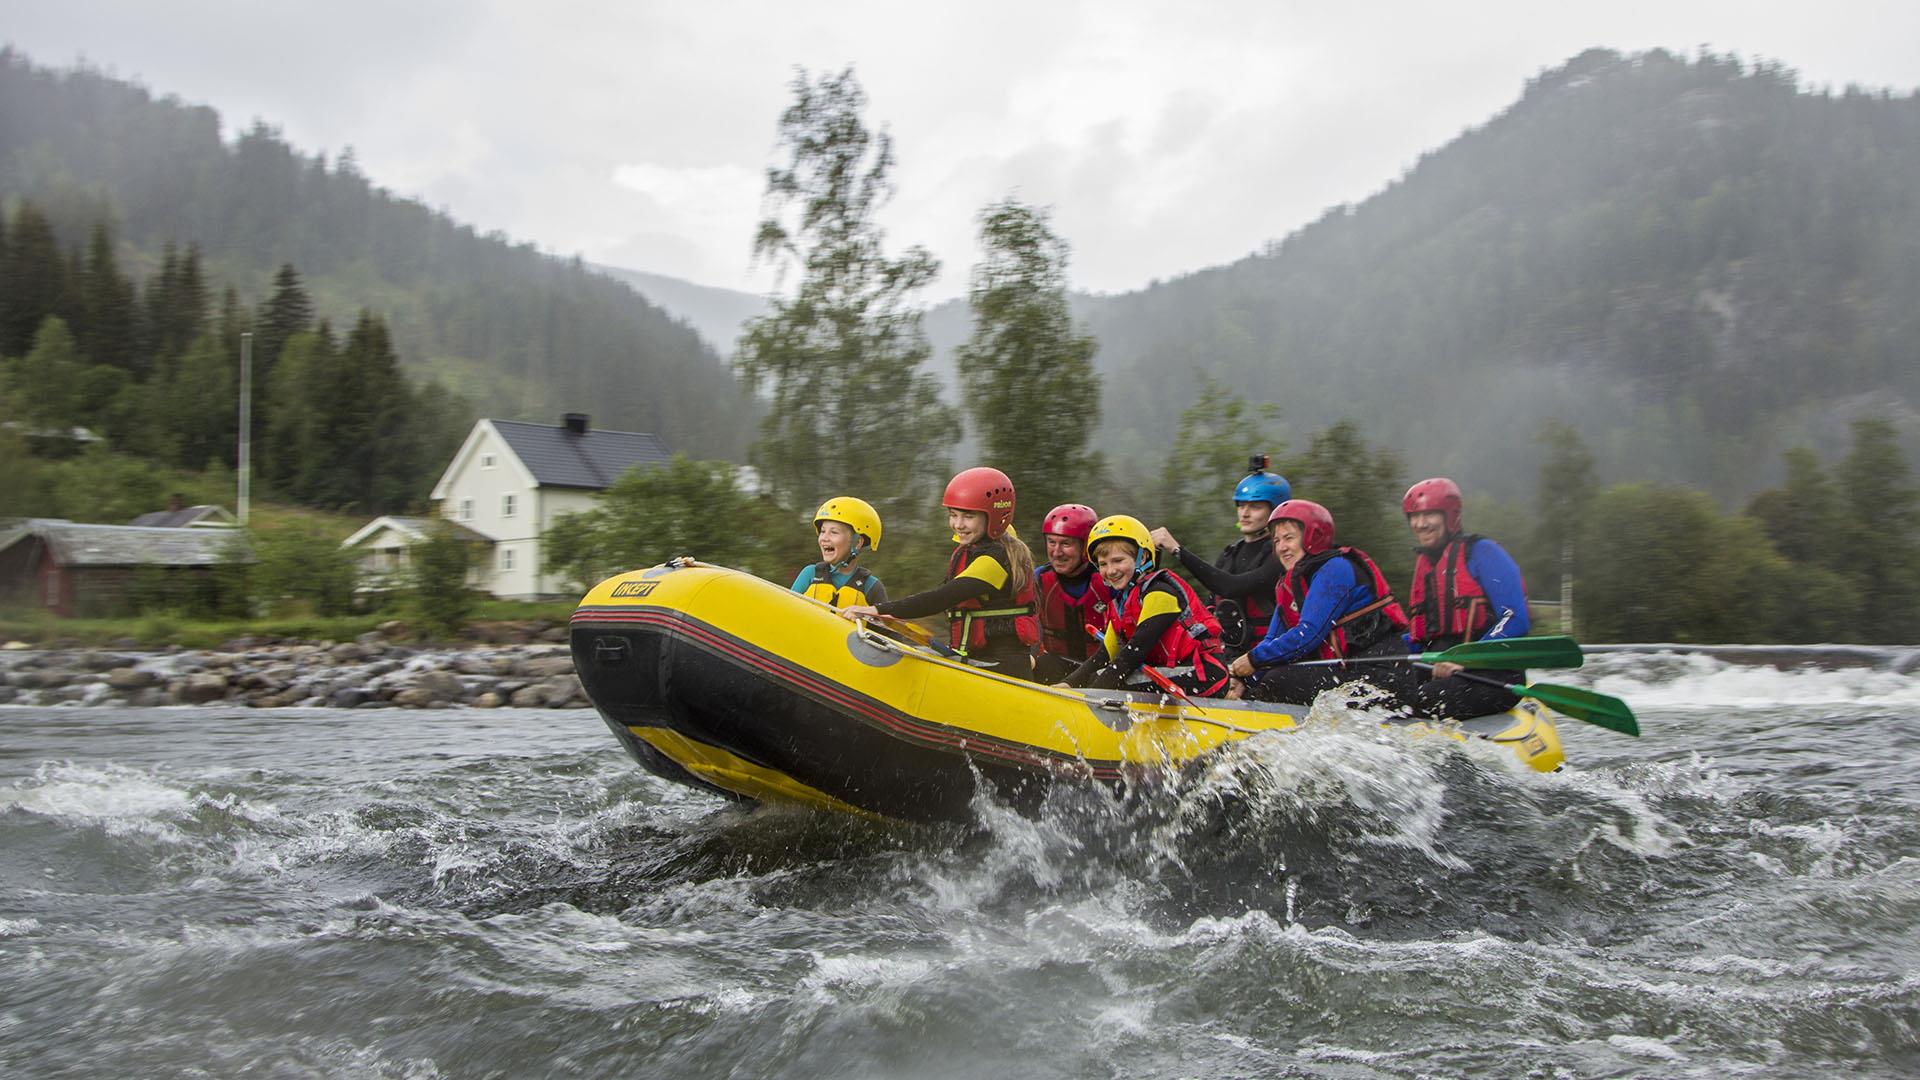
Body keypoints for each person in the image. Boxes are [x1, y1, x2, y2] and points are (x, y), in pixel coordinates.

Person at [840, 467, 1039, 676]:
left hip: (1001, 667)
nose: (958, 524)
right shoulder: (973, 552)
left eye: (968, 517)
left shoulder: (996, 559)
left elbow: (941, 598)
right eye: (953, 515)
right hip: (978, 660)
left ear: (995, 517)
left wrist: (877, 609)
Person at [1229, 499, 1410, 706]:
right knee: (1261, 683)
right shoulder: (1288, 584)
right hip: (1348, 674)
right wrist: (1245, 678)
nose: (1281, 548)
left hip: (1381, 681)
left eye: (1288, 538)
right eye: (1276, 541)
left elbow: (1308, 634)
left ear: (1313, 537)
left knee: (1278, 681)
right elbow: (1272, 639)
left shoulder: (1336, 569)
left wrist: (1253, 660)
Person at [1402, 477, 1532, 719]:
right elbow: (1421, 636)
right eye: (1414, 516)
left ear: (1450, 516)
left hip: (1491, 674)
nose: (1420, 523)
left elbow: (1515, 618)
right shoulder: (1427, 565)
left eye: (1429, 514)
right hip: (1439, 668)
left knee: (1411, 702)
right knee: (1374, 692)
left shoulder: (1483, 553)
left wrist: (1468, 660)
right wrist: (1379, 653)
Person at [1063, 515, 1231, 696]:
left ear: (1142, 558)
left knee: (1114, 682)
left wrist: (1090, 697)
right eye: (1103, 564)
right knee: (1095, 677)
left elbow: (1136, 650)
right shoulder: (1120, 603)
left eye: (1118, 561)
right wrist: (1068, 685)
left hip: (1207, 674)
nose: (1110, 571)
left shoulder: (1160, 593)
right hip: (1180, 671)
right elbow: (1105, 655)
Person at [1149, 455, 1290, 651]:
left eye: (1255, 507)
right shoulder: (1230, 553)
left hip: (1268, 655)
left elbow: (1230, 587)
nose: (1245, 513)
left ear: (1274, 511)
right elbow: (1210, 607)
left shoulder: (1280, 555)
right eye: (1241, 505)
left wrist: (1178, 550)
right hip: (1230, 654)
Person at [1031, 503, 1111, 684]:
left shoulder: (1109, 581)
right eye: (1052, 542)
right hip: (1055, 665)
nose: (1057, 552)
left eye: (1066, 543)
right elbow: (1030, 627)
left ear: (1085, 547)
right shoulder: (1039, 579)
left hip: (1100, 670)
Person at [790, 496, 887, 608]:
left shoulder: (872, 587)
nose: (824, 538)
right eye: (822, 531)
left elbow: (884, 624)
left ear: (858, 542)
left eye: (834, 532)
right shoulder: (809, 574)